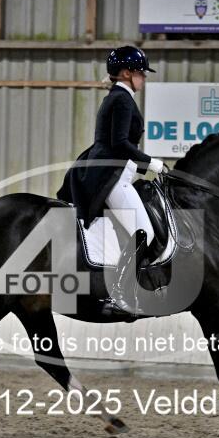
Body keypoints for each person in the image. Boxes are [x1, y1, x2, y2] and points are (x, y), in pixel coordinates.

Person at [57, 45, 165, 316]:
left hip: (113, 172)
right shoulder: (122, 99)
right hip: (110, 177)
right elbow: (119, 143)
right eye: (141, 72)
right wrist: (151, 163)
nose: (144, 78)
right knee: (145, 232)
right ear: (127, 73)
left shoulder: (119, 97)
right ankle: (119, 294)